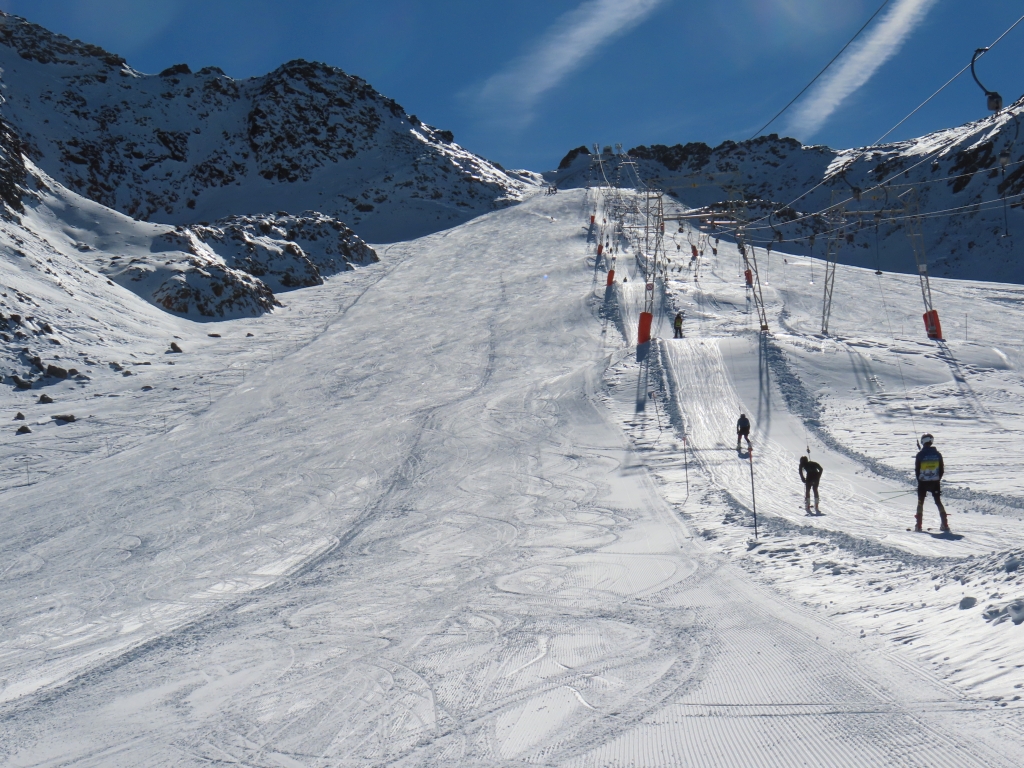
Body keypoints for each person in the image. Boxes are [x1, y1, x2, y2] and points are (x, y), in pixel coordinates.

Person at [915, 434, 950, 533]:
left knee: (920, 503)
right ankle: (945, 524)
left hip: (922, 482)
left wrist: (920, 482)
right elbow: (941, 469)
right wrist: (937, 479)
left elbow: (917, 471)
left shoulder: (920, 455)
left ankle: (919, 525)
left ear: (923, 442)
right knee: (938, 502)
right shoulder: (938, 454)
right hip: (935, 482)